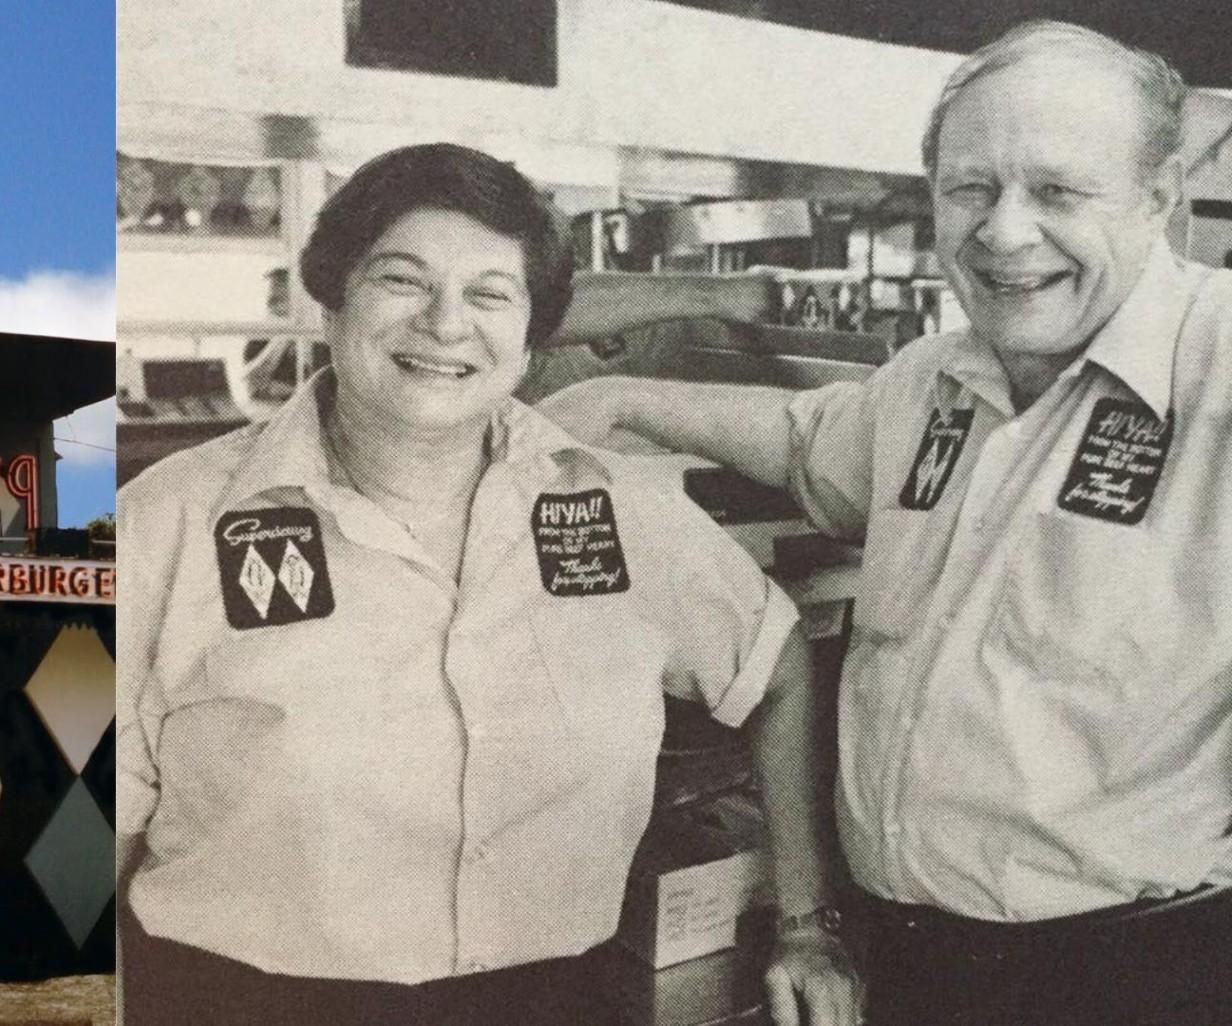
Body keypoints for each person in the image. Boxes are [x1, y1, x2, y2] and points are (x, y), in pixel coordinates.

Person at [539, 21, 1232, 1025]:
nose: (1003, 232)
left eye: (1057, 191)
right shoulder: (938, 379)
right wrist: (624, 402)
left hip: (1132, 974)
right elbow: (802, 437)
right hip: (904, 961)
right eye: (971, 188)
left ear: (1160, 198)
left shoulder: (1214, 370)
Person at [118, 142, 859, 1025]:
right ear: (332, 296)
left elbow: (774, 665)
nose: (445, 324)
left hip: (551, 998)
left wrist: (809, 928)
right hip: (238, 1001)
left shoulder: (617, 508)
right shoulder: (168, 522)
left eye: (489, 293)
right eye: (402, 280)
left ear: (532, 332)